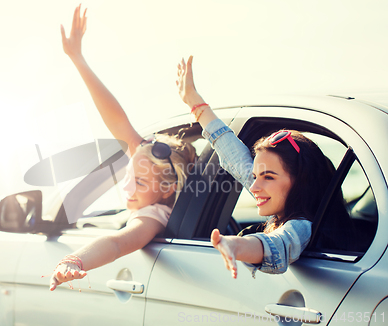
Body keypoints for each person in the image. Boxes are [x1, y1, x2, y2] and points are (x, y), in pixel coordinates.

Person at [49, 5, 196, 291]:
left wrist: (75, 261)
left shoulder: (153, 216)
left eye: (139, 182)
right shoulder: (153, 179)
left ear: (167, 189)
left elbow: (118, 243)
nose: (127, 188)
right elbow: (115, 119)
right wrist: (78, 58)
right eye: (129, 177)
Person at [176, 55, 352, 279]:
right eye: (255, 175)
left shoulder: (303, 226)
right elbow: (234, 157)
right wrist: (194, 101)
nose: (254, 186)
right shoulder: (296, 204)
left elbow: (277, 243)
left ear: (301, 182)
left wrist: (234, 245)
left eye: (268, 177)